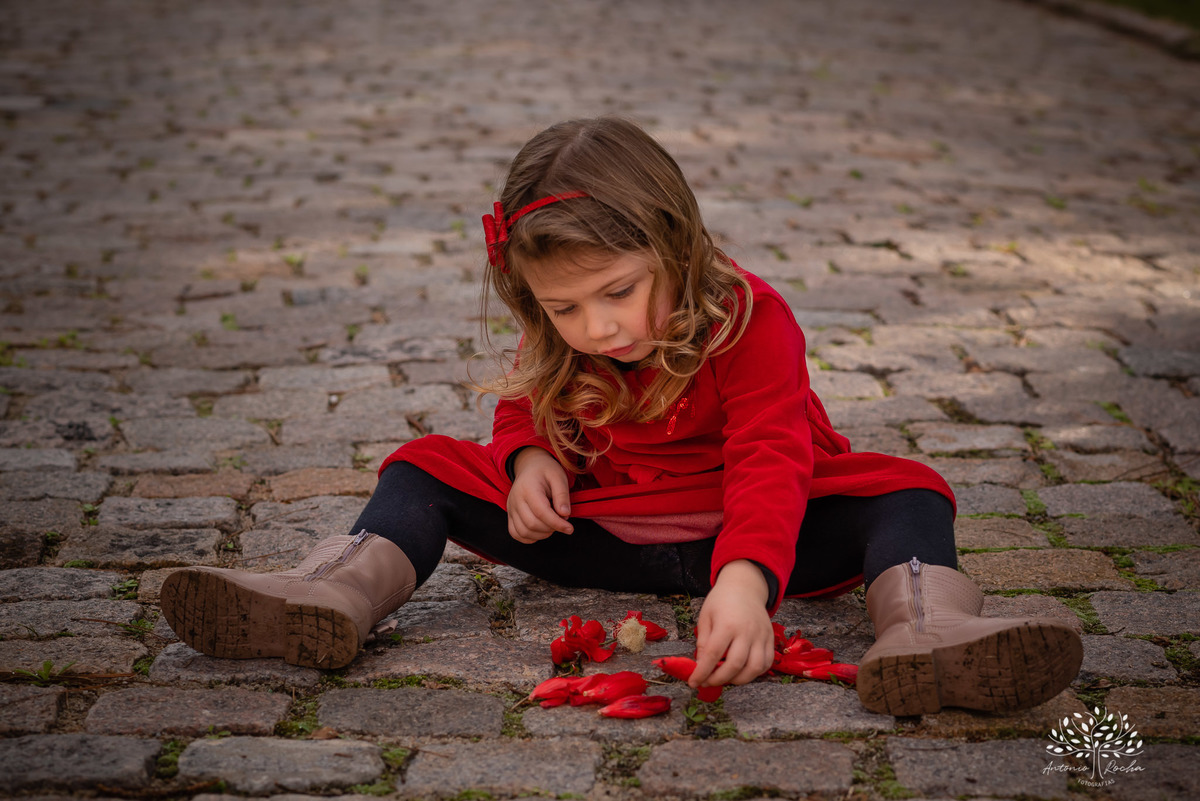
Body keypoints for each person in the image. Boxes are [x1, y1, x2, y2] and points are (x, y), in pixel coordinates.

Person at [161, 117, 1082, 716]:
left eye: (619, 293)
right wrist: (524, 461)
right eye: (565, 309)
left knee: (910, 491)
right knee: (423, 468)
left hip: (759, 531)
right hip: (605, 530)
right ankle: (329, 593)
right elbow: (521, 397)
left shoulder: (752, 319)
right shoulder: (563, 333)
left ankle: (926, 632)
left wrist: (749, 578)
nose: (598, 327)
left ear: (674, 244)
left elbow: (771, 454)